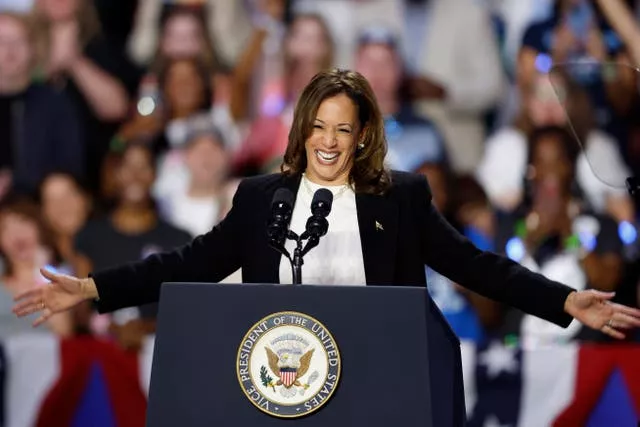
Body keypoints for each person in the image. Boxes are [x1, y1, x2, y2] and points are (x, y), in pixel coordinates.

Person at [12, 69, 640, 340]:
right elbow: (187, 263)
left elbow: (476, 266)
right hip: (278, 377)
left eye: (343, 129)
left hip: (377, 377)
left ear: (363, 134)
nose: (329, 142)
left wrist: (563, 300)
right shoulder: (261, 199)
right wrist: (93, 289)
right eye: (319, 127)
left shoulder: (401, 198)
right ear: (302, 130)